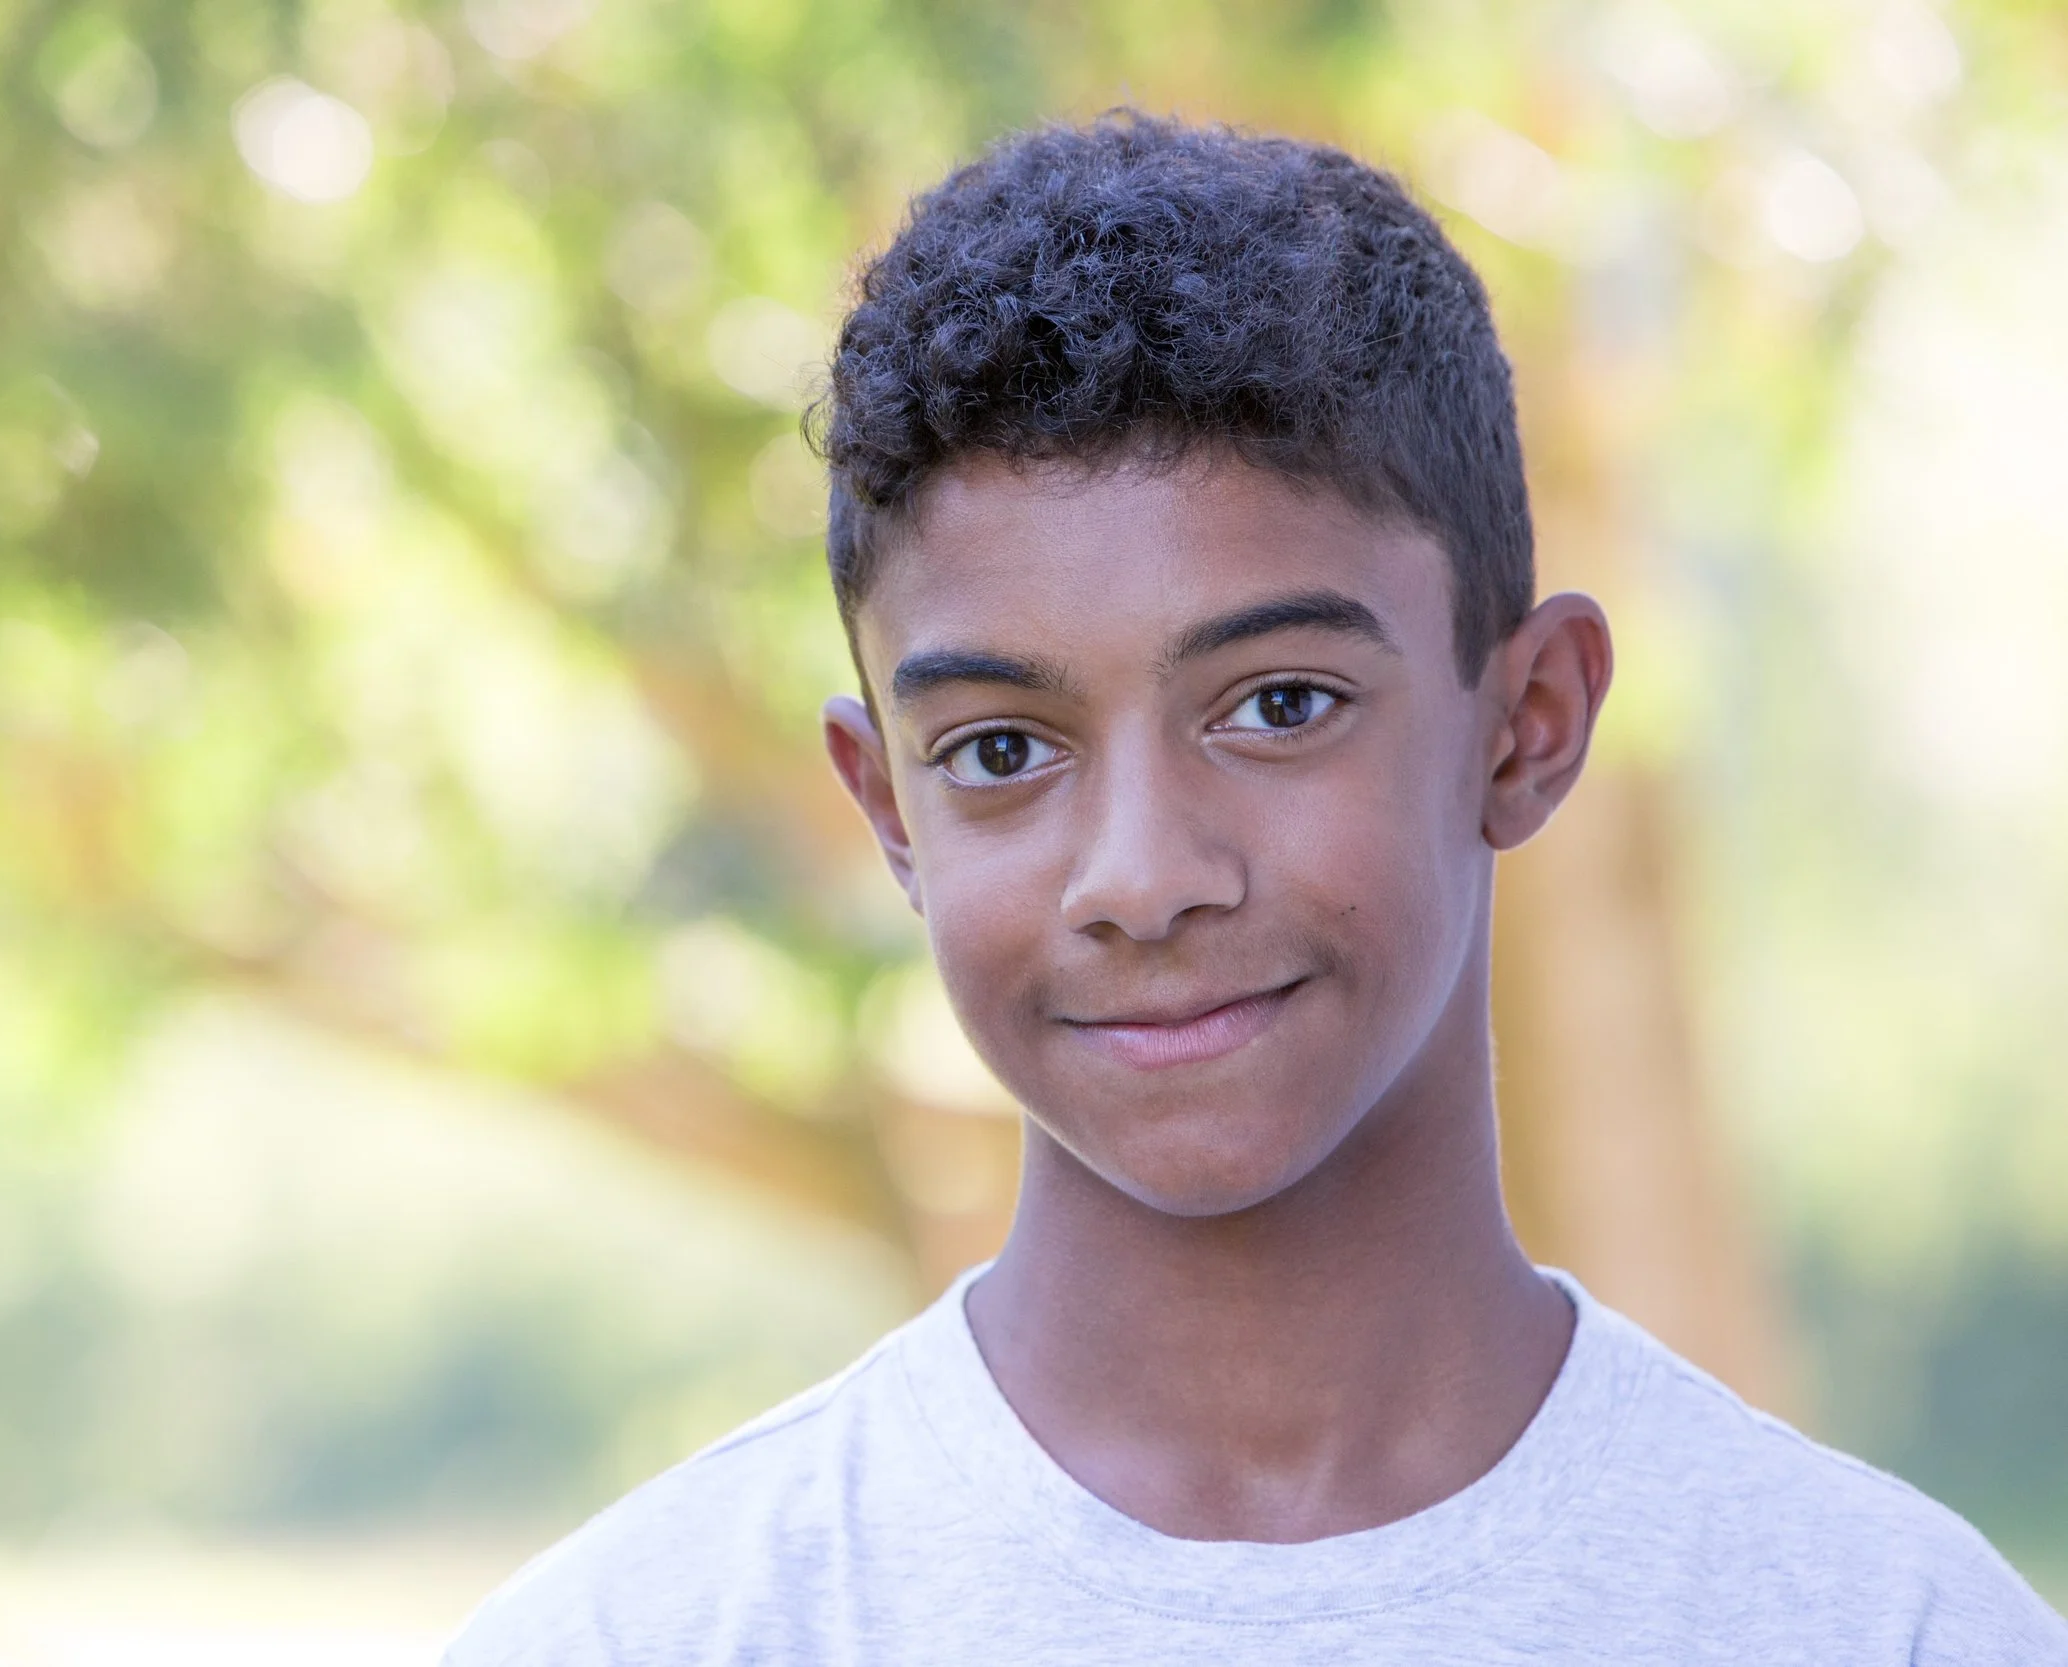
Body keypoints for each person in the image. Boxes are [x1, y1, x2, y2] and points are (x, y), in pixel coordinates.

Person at [443, 113, 2068, 1663]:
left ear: (1530, 724)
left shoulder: (1884, 1630)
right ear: (887, 805)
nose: (1140, 877)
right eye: (1002, 749)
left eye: (1278, 704)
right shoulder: (648, 1637)